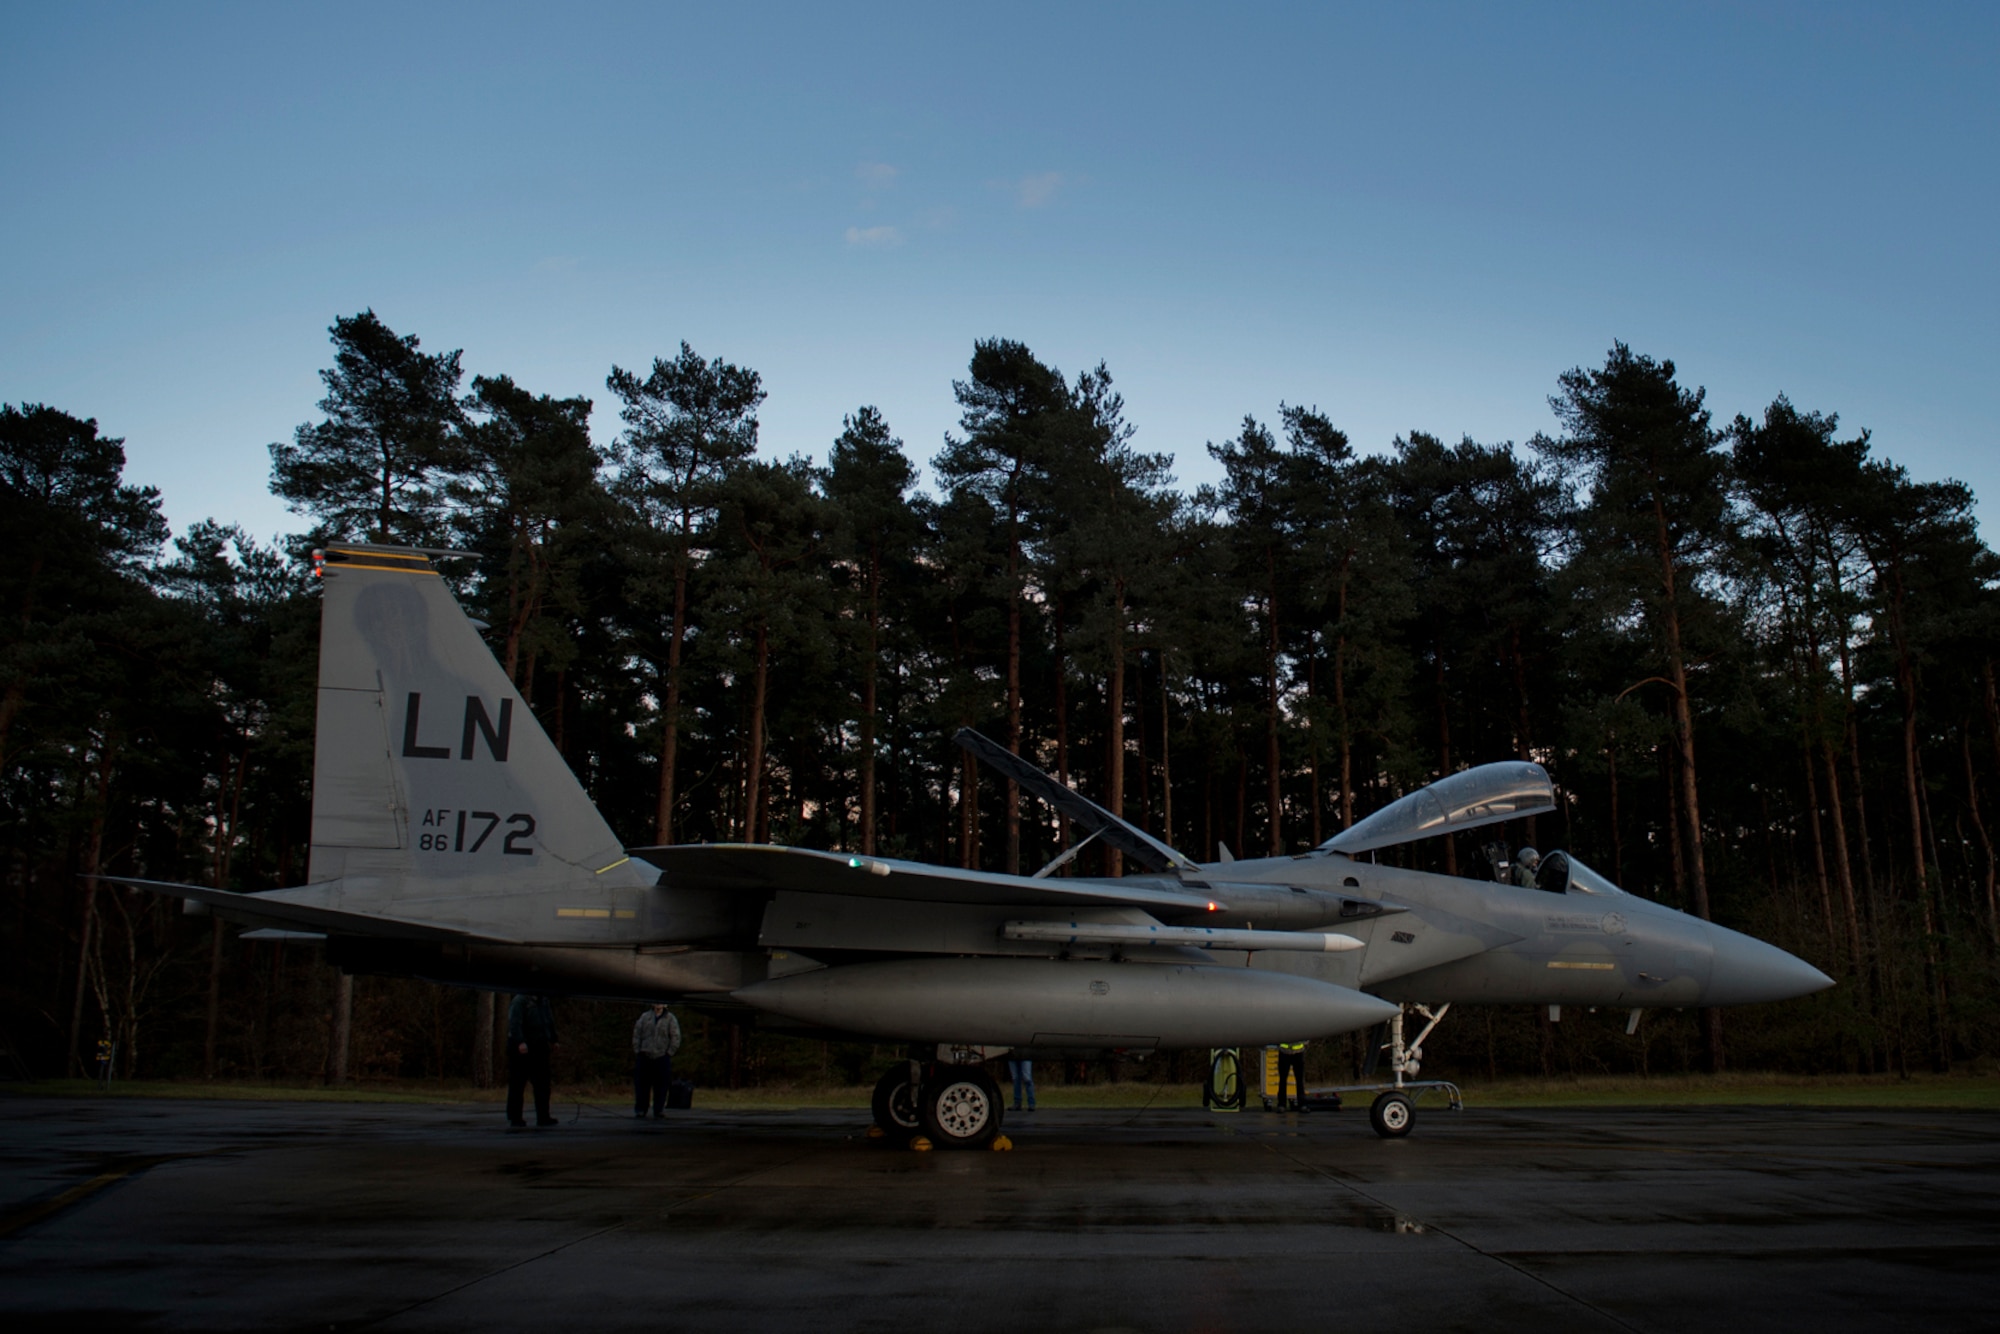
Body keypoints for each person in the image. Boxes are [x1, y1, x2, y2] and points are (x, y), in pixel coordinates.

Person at [506, 993, 559, 1128]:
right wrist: (520, 1041)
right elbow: (514, 1023)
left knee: (543, 1084)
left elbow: (548, 1020)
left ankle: (543, 1116)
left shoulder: (543, 1000)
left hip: (540, 1046)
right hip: (523, 1047)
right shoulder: (520, 1001)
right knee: (517, 1084)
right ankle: (515, 1118)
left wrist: (553, 1039)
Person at [632, 1003, 681, 1118]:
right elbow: (637, 1034)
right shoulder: (644, 1017)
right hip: (645, 1055)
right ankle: (641, 1109)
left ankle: (658, 1109)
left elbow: (675, 1037)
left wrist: (669, 1052)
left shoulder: (670, 1019)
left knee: (661, 1086)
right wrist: (638, 1050)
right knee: (642, 1086)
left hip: (661, 1056)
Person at [1274, 1040, 1308, 1112]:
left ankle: (1301, 1104)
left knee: (1299, 1080)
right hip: (1285, 1052)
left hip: (1297, 1052)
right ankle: (1282, 1104)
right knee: (1283, 1080)